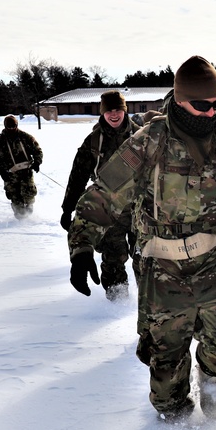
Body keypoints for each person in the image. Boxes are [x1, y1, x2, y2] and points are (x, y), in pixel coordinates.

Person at [67, 56, 216, 422]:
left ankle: (212, 375)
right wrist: (82, 246)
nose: (211, 113)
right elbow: (104, 195)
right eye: (202, 105)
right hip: (162, 266)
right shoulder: (150, 140)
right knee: (166, 390)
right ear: (179, 100)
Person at [60, 91, 141, 301]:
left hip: (141, 212)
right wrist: (67, 209)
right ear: (102, 113)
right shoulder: (94, 142)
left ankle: (149, 308)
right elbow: (77, 176)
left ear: (125, 110)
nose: (114, 115)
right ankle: (117, 305)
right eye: (109, 111)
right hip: (107, 212)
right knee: (113, 260)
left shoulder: (143, 137)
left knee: (147, 260)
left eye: (118, 110)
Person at [0, 115, 43, 218]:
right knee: (15, 197)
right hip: (10, 174)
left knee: (29, 195)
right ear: (5, 126)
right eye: (8, 127)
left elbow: (37, 150)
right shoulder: (0, 141)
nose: (11, 129)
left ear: (17, 125)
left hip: (26, 172)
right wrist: (2, 172)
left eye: (13, 126)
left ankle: (30, 217)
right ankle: (20, 221)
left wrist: (37, 162)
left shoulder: (25, 137)